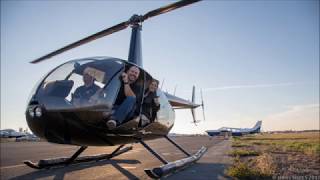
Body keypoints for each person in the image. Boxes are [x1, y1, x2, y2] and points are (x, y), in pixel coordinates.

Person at [106, 65, 141, 130]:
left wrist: (126, 81)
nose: (133, 74)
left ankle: (114, 120)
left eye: (136, 73)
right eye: (132, 71)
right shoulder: (118, 81)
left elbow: (130, 96)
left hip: (128, 112)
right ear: (127, 72)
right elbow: (106, 90)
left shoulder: (138, 87)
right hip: (113, 107)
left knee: (132, 98)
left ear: (138, 76)